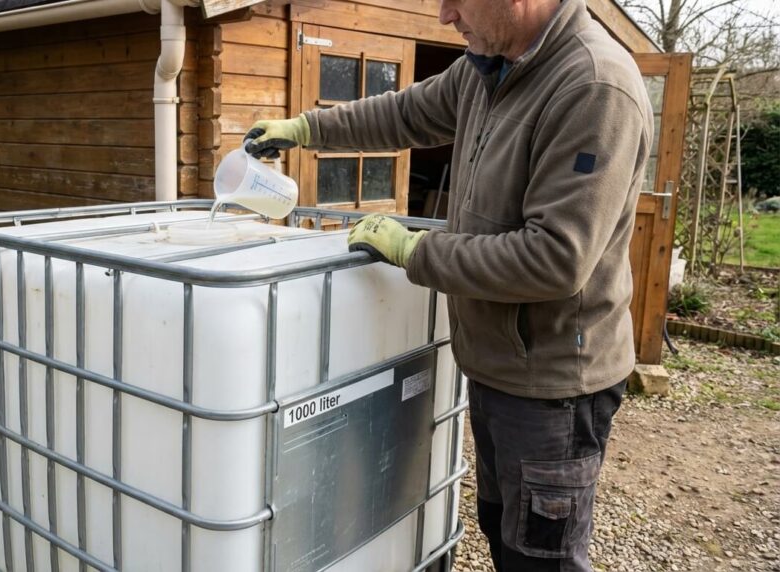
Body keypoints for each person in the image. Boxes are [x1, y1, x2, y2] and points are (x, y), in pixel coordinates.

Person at [243, 0, 654, 570]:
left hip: (554, 384)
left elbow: (555, 259)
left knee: (542, 556)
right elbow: (402, 114)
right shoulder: (490, 66)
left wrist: (416, 250)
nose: (443, 16)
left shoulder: (593, 85)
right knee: (501, 528)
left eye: (456, 0)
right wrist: (305, 129)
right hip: (494, 363)